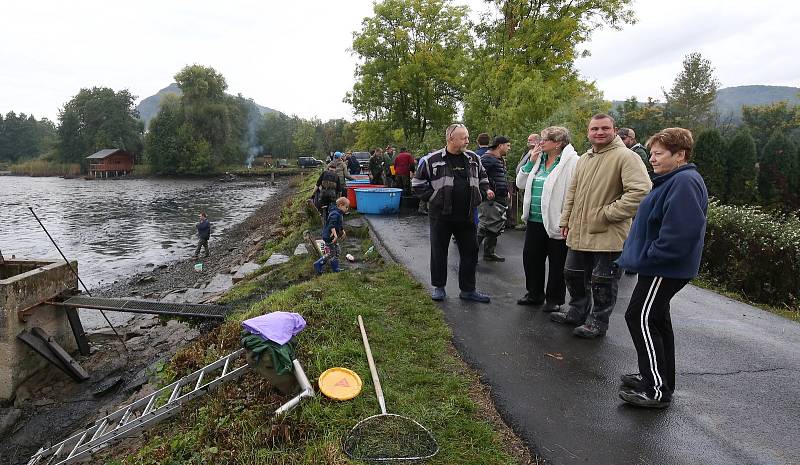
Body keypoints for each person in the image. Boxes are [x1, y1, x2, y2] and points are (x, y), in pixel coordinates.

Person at [615, 128, 708, 409]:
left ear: (679, 155)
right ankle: (659, 378)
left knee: (639, 317)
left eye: (658, 154)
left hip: (663, 267)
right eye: (652, 153)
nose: (652, 159)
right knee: (656, 319)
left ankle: (655, 389)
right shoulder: (674, 179)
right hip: (661, 265)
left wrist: (653, 256)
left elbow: (681, 232)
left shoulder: (684, 182)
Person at [550, 114, 651, 338]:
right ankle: (576, 312)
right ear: (588, 132)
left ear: (614, 130)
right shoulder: (585, 159)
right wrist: (566, 220)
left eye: (605, 128)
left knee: (602, 281)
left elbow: (641, 192)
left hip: (609, 233)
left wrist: (606, 214)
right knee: (572, 274)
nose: (599, 132)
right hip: (579, 230)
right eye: (594, 128)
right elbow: (572, 194)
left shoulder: (626, 157)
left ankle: (597, 322)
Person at [413, 123, 492, 303]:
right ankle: (439, 287)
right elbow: (417, 184)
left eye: (467, 137)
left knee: (470, 252)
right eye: (463, 137)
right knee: (439, 252)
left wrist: (484, 190)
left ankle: (468, 290)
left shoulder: (473, 158)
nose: (467, 140)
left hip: (467, 215)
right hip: (441, 216)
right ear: (451, 139)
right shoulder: (431, 160)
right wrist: (434, 198)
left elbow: (483, 176)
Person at [515, 127, 579, 311]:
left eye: (544, 140)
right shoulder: (538, 159)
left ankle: (555, 300)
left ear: (558, 143)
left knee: (557, 262)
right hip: (535, 220)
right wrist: (530, 162)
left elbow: (575, 192)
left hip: (557, 220)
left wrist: (568, 219)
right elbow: (520, 184)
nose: (539, 143)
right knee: (531, 258)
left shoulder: (572, 162)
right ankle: (534, 294)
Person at [478, 135, 512, 261]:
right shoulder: (487, 159)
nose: (509, 148)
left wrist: (506, 191)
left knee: (496, 226)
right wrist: (486, 189)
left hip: (499, 197)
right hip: (490, 199)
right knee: (485, 225)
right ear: (500, 145)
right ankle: (470, 255)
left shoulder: (499, 159)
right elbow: (478, 176)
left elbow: (501, 177)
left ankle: (489, 253)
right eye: (507, 146)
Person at [313, 197, 350, 274]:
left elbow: (338, 224)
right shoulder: (335, 214)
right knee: (332, 253)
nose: (347, 209)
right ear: (340, 205)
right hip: (329, 237)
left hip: (332, 236)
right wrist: (335, 235)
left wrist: (343, 231)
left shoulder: (339, 214)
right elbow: (331, 225)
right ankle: (318, 264)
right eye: (346, 207)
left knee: (337, 251)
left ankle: (335, 267)